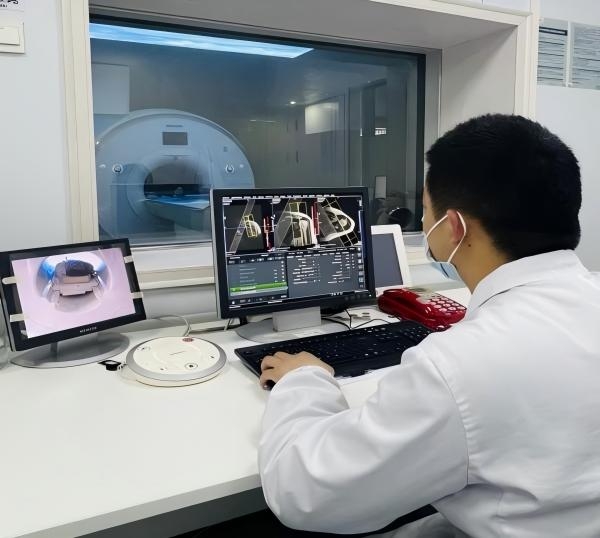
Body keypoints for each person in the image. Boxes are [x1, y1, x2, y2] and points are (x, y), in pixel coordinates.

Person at [257, 114, 600, 537]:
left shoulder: (461, 366)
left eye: (425, 211)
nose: (422, 225)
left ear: (453, 228)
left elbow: (304, 493)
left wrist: (304, 382)